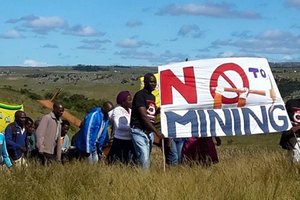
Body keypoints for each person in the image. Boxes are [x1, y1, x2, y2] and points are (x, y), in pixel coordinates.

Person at [130, 73, 164, 169]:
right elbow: (144, 116)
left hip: (148, 132)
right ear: (145, 82)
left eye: (155, 82)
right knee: (144, 158)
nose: (154, 84)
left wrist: (159, 110)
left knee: (145, 157)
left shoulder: (152, 97)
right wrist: (157, 132)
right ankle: (144, 179)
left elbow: (150, 113)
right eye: (151, 82)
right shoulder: (140, 95)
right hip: (139, 131)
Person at [107, 91, 135, 164]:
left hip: (129, 139)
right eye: (129, 100)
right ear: (123, 102)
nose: (131, 102)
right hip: (120, 140)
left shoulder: (131, 111)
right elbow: (119, 125)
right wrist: (133, 127)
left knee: (127, 161)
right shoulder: (117, 110)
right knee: (118, 161)